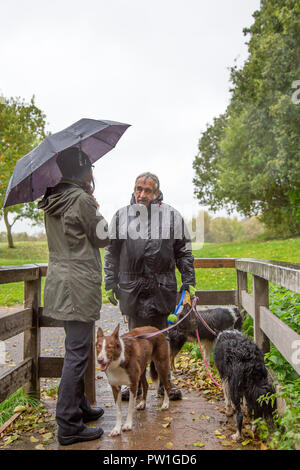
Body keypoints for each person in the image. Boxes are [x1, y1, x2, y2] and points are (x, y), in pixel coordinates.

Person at [38, 147, 109, 445]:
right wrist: (96, 207)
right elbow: (102, 237)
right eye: (91, 165)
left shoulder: (53, 199)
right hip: (78, 284)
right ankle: (68, 424)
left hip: (61, 282)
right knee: (78, 353)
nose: (93, 170)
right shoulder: (80, 199)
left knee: (75, 348)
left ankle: (79, 407)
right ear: (84, 170)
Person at [104, 172, 196, 400]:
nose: (141, 194)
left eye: (147, 190)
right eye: (138, 189)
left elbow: (183, 251)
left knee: (160, 340)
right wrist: (109, 281)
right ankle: (131, 382)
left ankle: (165, 384)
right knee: (133, 340)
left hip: (161, 288)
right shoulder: (121, 216)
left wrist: (188, 281)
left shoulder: (171, 216)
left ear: (156, 193)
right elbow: (111, 252)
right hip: (132, 288)